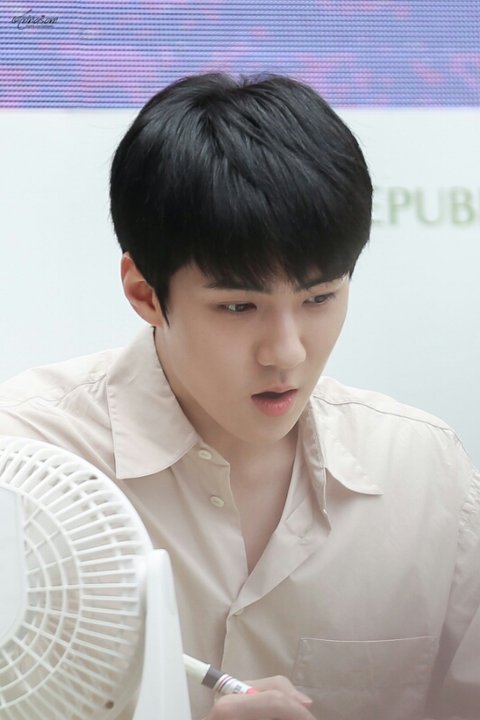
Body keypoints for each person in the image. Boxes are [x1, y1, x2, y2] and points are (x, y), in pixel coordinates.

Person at [0, 72, 479, 720]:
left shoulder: (428, 476)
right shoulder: (21, 468)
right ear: (144, 293)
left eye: (319, 298)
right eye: (238, 306)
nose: (287, 351)